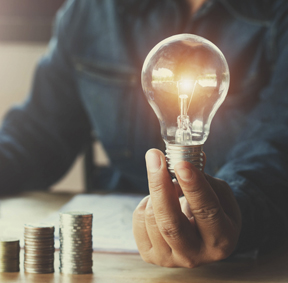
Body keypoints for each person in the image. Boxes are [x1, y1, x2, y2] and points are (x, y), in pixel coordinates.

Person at [0, 0, 288, 268]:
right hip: (117, 253)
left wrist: (229, 209)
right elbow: (38, 133)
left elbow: (277, 146)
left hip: (247, 256)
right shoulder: (93, 12)